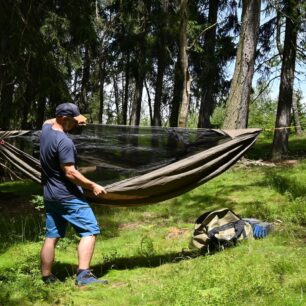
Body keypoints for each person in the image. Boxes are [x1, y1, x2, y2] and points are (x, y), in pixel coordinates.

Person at [39, 102, 108, 286]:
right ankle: (83, 276)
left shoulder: (46, 130)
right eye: (72, 121)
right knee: (90, 230)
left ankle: (46, 276)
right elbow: (70, 172)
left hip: (50, 195)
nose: (75, 125)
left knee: (52, 235)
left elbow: (48, 120)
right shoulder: (64, 142)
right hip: (67, 196)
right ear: (63, 119)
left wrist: (75, 120)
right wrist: (93, 185)